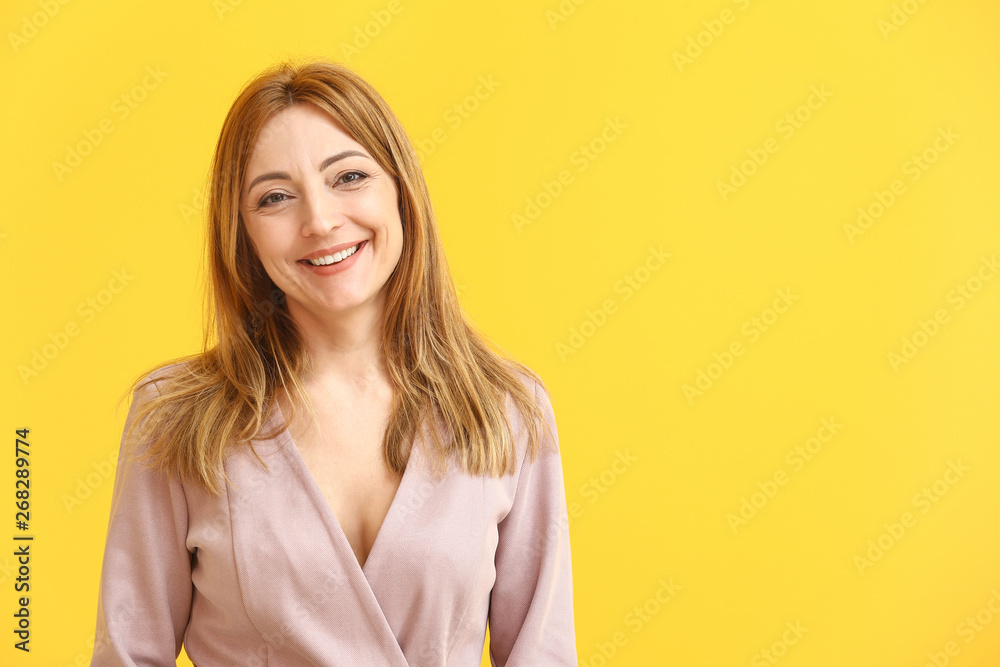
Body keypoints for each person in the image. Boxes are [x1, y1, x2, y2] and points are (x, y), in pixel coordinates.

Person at [90, 59, 578, 666]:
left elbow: (542, 654)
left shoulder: (507, 409)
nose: (319, 221)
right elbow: (129, 655)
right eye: (274, 197)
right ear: (241, 232)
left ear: (401, 191)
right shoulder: (177, 418)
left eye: (348, 177)